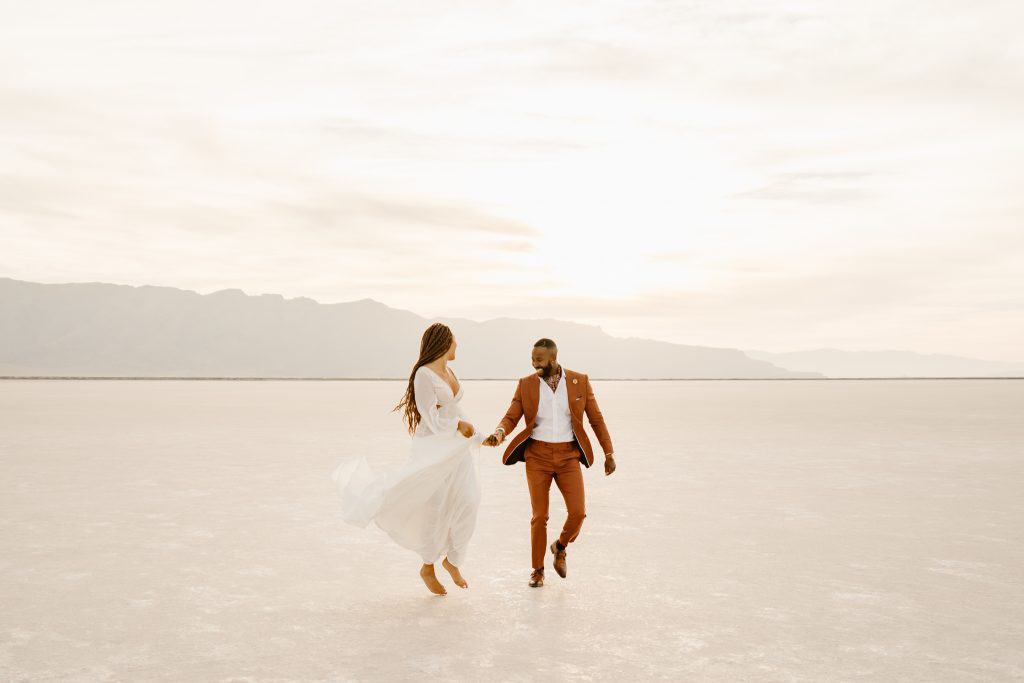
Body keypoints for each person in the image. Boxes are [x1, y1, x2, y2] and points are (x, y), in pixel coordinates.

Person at [332, 323, 483, 596]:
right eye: (454, 341)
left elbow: (455, 409)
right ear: (443, 343)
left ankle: (453, 560)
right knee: (434, 507)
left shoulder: (450, 371)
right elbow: (430, 418)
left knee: (469, 501)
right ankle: (428, 566)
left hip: (456, 451)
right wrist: (457, 427)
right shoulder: (423, 375)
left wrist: (478, 435)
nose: (457, 345)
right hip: (433, 448)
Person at [482, 338, 616, 588]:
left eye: (539, 360)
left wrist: (608, 453)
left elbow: (596, 419)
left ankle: (561, 546)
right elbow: (512, 415)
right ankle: (537, 570)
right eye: (532, 359)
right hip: (537, 456)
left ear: (553, 359)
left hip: (568, 457)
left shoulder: (579, 381)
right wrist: (500, 432)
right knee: (540, 516)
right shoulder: (526, 385)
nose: (534, 364)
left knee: (578, 513)